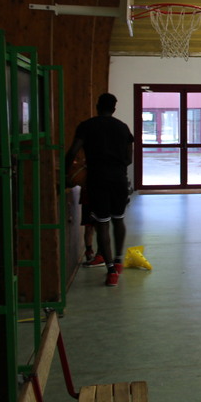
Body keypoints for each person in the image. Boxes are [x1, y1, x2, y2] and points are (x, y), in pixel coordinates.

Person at [65, 93, 134, 287]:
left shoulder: (86, 126)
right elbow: (129, 159)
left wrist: (65, 175)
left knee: (102, 223)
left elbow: (72, 152)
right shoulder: (123, 128)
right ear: (114, 108)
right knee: (118, 219)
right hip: (119, 180)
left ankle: (111, 271)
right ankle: (119, 260)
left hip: (97, 180)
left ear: (97, 106)